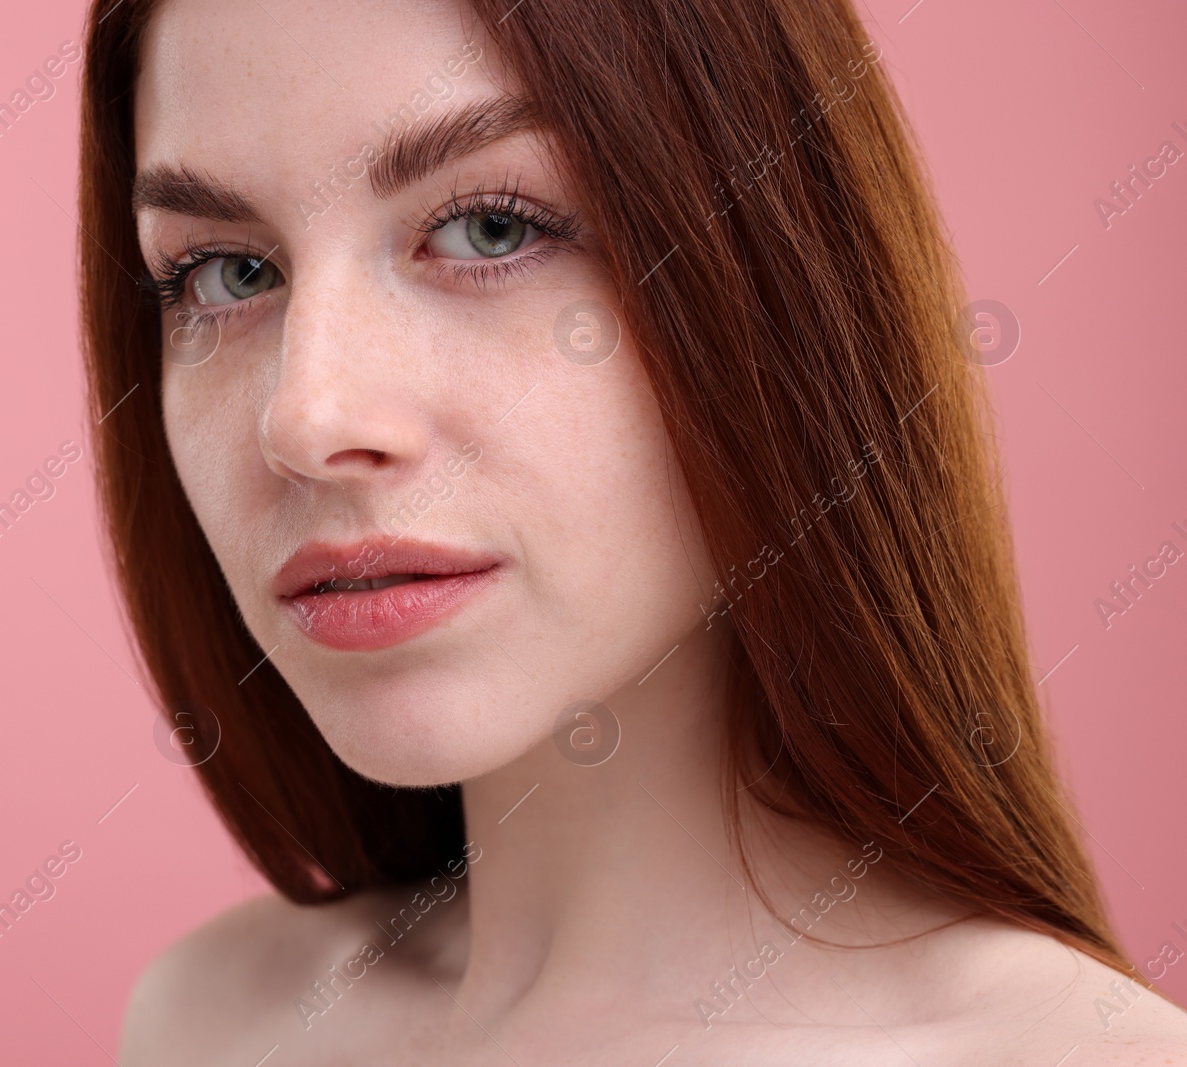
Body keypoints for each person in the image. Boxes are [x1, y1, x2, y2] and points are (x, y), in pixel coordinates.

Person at [76, 0, 1187, 1061]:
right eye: (226, 272)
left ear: (775, 282)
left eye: (488, 226)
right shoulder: (210, 1022)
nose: (306, 418)